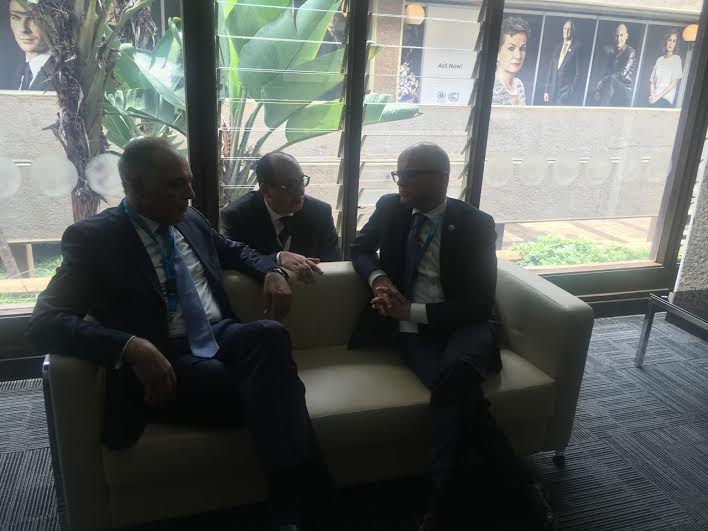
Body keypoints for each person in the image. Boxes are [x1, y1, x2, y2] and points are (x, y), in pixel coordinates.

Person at [27, 138, 331, 531]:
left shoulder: (190, 220)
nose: (190, 193)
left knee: (270, 335)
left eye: (189, 181)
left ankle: (290, 502)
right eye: (176, 184)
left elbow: (235, 251)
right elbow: (44, 323)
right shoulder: (94, 239)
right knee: (266, 386)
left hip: (219, 333)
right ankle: (303, 500)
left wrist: (272, 269)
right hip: (166, 352)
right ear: (136, 187)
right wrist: (130, 346)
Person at [348, 143, 555, 531]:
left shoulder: (475, 224)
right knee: (460, 391)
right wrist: (378, 279)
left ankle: (442, 504)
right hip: (415, 334)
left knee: (454, 379)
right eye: (398, 174)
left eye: (410, 175)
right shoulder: (390, 207)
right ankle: (522, 486)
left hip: (466, 325)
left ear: (442, 179)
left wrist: (409, 311)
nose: (401, 182)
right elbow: (358, 248)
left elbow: (479, 304)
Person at [221, 152, 341, 284]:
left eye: (301, 181)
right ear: (265, 190)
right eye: (289, 185)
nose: (300, 191)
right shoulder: (238, 215)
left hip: (310, 290)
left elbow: (335, 266)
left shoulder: (320, 213)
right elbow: (232, 262)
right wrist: (277, 258)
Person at [8, 0, 55, 91]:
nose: (23, 29)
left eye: (33, 18)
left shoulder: (63, 74)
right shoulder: (15, 71)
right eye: (15, 17)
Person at [594, 23, 637, 107]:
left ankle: (603, 108)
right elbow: (607, 72)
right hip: (610, 88)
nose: (619, 39)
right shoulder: (612, 52)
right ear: (614, 36)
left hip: (624, 89)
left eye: (621, 35)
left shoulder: (631, 52)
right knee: (603, 87)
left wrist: (603, 80)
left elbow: (623, 73)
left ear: (626, 36)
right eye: (617, 36)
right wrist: (599, 88)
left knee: (611, 80)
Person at [544, 19, 583, 105]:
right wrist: (546, 90)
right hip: (552, 93)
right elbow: (551, 69)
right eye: (565, 28)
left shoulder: (577, 47)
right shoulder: (558, 46)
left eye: (569, 29)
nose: (566, 31)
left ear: (573, 31)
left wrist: (570, 92)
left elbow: (579, 74)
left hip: (565, 95)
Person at [493, 16, 530, 106]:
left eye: (522, 48)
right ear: (497, 52)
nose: (518, 56)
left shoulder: (519, 85)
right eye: (511, 48)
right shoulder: (491, 89)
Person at [648, 29, 683, 108]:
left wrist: (657, 97)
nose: (671, 43)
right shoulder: (659, 60)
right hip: (654, 99)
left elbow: (673, 84)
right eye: (669, 40)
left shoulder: (676, 59)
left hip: (666, 100)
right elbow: (652, 82)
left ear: (676, 44)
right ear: (666, 41)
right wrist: (653, 95)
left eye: (674, 41)